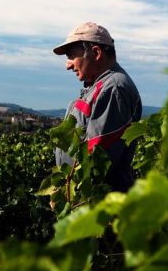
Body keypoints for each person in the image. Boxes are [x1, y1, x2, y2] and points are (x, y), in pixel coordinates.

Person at [53, 22, 142, 191]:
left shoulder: (114, 88)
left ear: (96, 53)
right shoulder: (99, 86)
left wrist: (69, 191)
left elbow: (96, 159)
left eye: (71, 56)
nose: (68, 65)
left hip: (98, 201)